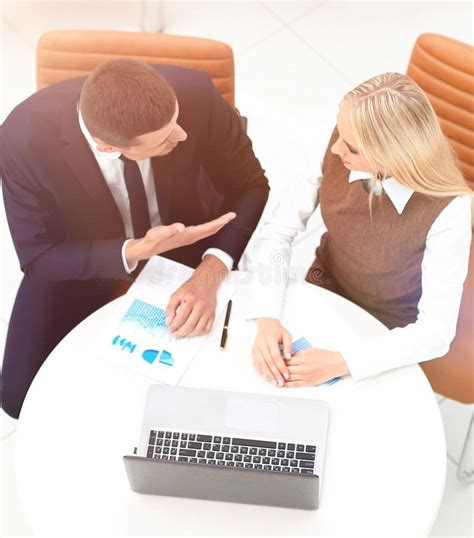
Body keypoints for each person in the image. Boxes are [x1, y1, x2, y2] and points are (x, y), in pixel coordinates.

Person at [0, 59, 269, 418]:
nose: (182, 136)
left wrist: (211, 269)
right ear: (109, 147)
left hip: (188, 242)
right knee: (20, 397)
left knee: (201, 387)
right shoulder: (21, 140)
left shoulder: (196, 95)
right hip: (88, 253)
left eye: (176, 122)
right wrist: (132, 251)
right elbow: (37, 256)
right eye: (164, 140)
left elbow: (251, 186)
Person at [248, 72, 472, 388]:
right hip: (325, 284)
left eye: (351, 148)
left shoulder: (452, 208)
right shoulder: (338, 146)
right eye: (339, 132)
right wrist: (266, 316)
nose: (337, 149)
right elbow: (278, 231)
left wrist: (343, 362)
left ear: (393, 156)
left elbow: (436, 332)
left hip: (388, 324)